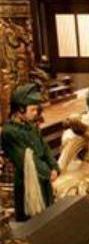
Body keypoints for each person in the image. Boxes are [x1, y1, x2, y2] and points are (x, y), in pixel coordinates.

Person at [1, 84, 59, 221]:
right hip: (27, 182)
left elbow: (44, 147)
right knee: (32, 221)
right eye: (32, 109)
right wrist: (47, 172)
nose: (36, 113)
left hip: (43, 178)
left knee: (48, 216)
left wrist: (54, 166)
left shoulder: (31, 126)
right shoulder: (10, 132)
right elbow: (25, 159)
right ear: (20, 110)